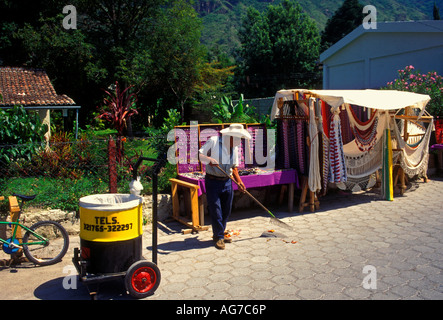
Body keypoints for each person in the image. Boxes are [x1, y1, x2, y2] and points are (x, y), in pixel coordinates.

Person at [199, 124, 251, 249]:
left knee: (226, 210)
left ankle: (219, 234)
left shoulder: (234, 148)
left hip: (227, 181)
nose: (239, 142)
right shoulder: (214, 141)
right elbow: (200, 155)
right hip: (212, 181)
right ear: (230, 136)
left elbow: (234, 167)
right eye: (237, 138)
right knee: (216, 210)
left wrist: (239, 182)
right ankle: (219, 237)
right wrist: (209, 160)